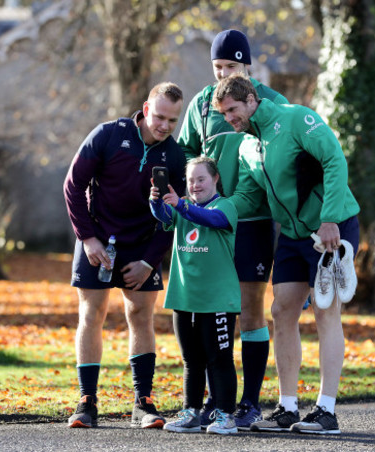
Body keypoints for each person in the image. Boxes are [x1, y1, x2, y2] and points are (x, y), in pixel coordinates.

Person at [213, 74, 361, 435]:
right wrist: (206, 209)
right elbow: (249, 198)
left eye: (233, 110)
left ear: (250, 99)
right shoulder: (247, 148)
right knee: (281, 311)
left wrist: (328, 219)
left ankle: (326, 410)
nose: (230, 118)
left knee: (326, 311)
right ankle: (288, 407)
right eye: (224, 114)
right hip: (294, 237)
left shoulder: (295, 119)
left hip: (333, 226)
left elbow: (334, 160)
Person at [177, 28, 288, 429]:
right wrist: (198, 184)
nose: (222, 74)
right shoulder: (202, 104)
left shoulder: (269, 101)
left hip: (253, 220)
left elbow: (284, 148)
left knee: (250, 308)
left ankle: (250, 403)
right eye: (217, 67)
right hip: (211, 222)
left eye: (230, 66)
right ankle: (216, 400)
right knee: (211, 310)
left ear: (246, 67)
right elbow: (186, 150)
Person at [63, 82, 186, 429]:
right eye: (160, 116)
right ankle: (86, 401)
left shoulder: (174, 156)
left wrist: (149, 261)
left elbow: (172, 215)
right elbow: (73, 186)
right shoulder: (107, 135)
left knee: (141, 316)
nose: (164, 126)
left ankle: (142, 402)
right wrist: (88, 238)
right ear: (146, 109)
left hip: (142, 245)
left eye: (172, 121)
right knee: (91, 313)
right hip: (98, 238)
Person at [149, 157, 240, 435]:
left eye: (201, 179)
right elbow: (163, 216)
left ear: (215, 179)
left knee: (219, 358)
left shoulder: (226, 206)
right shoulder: (181, 207)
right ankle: (192, 413)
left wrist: (180, 204)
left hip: (217, 300)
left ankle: (226, 416)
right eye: (190, 180)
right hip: (184, 297)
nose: (195, 185)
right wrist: (155, 201)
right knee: (191, 359)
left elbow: (210, 219)